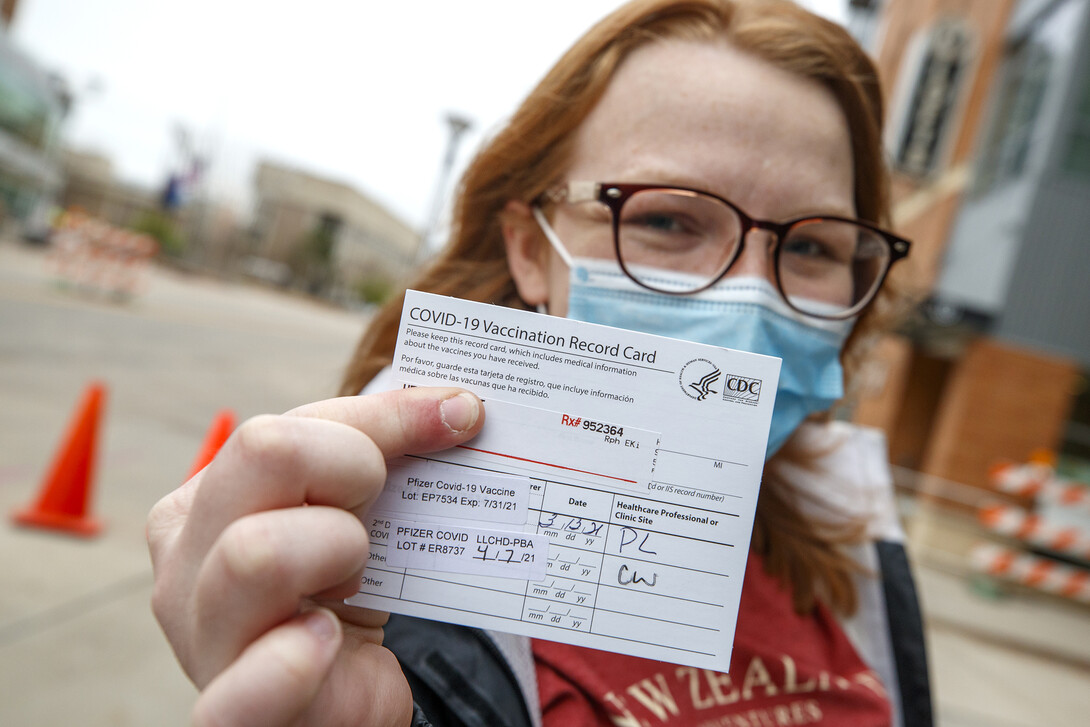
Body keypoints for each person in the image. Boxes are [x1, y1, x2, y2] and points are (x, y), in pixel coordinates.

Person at [147, 1, 932, 725]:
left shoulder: (856, 525)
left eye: (812, 245)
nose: (753, 297)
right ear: (530, 250)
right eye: (664, 218)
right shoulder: (368, 584)